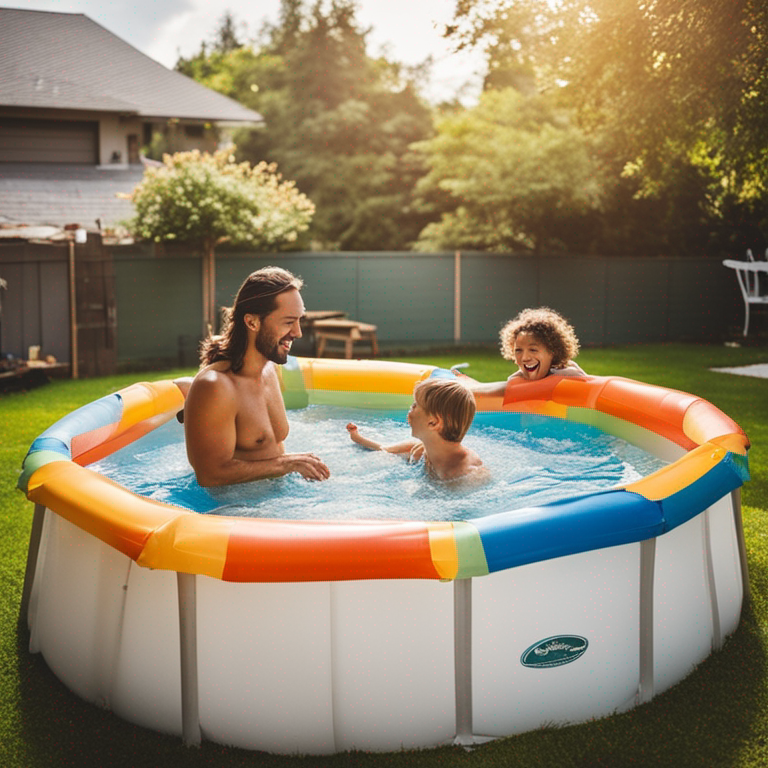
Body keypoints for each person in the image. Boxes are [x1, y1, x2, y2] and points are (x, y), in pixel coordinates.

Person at [182, 266, 330, 487]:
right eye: (289, 322)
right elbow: (210, 475)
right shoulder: (215, 387)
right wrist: (287, 464)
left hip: (274, 501)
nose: (298, 332)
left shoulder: (269, 369)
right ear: (252, 322)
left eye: (299, 320)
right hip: (233, 511)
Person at [346, 378, 487, 483]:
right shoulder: (421, 450)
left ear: (433, 422)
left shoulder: (464, 474)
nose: (410, 410)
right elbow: (384, 448)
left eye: (415, 405)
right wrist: (357, 437)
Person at [456, 306, 585, 396]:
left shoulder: (568, 374)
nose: (525, 358)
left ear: (553, 352)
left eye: (533, 350)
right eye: (518, 350)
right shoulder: (517, 380)